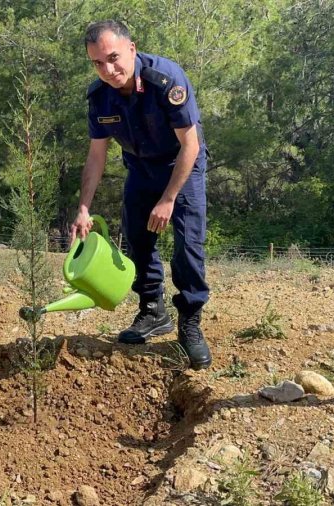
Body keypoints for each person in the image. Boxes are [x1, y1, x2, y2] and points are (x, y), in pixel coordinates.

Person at [70, 21, 213, 370]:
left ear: (132, 49)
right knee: (137, 239)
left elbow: (190, 145)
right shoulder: (99, 95)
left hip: (182, 163)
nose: (108, 69)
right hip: (140, 167)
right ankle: (153, 311)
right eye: (98, 63)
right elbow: (96, 155)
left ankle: (190, 322)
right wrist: (84, 208)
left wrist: (168, 199)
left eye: (114, 58)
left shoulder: (166, 80)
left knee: (187, 245)